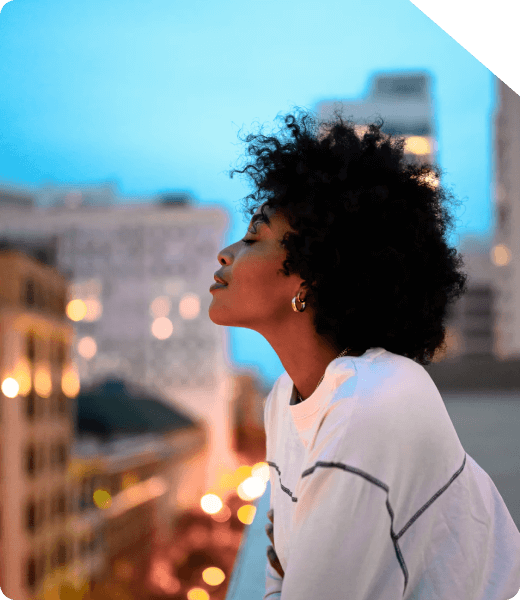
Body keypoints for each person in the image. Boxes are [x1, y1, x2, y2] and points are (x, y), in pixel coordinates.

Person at [209, 105, 520, 599]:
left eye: (253, 237)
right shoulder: (284, 400)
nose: (226, 253)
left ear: (310, 278)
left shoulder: (371, 405)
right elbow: (280, 569)